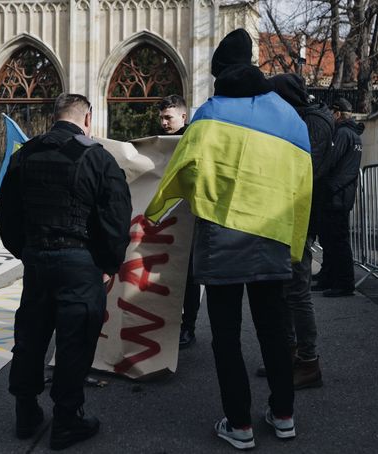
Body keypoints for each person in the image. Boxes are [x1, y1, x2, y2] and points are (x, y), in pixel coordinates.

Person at [145, 29, 312, 450]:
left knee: (226, 336)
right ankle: (284, 414)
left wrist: (153, 214)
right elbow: (304, 187)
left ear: (219, 73)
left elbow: (181, 170)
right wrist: (294, 244)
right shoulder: (289, 117)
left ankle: (239, 424)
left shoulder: (209, 113)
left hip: (220, 241)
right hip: (272, 239)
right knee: (274, 331)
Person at [0, 93, 132, 449]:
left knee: (30, 338)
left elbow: (7, 215)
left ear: (55, 117)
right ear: (87, 119)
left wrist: (27, 252)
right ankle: (67, 420)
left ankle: (25, 411)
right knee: (75, 342)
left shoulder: (24, 155)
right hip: (80, 263)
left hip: (38, 261)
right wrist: (107, 265)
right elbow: (116, 218)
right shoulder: (98, 158)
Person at [255, 73, 335, 389]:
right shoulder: (304, 118)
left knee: (297, 292)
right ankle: (287, 355)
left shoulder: (314, 122)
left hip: (301, 216)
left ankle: (308, 362)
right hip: (288, 215)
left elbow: (304, 169)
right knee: (286, 291)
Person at [158, 94, 200, 349]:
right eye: (161, 117)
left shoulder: (192, 140)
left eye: (168, 117)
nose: (164, 122)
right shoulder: (157, 141)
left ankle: (189, 326)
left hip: (186, 217)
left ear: (183, 117)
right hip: (164, 218)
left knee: (188, 276)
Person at [315, 97, 363, 297]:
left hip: (336, 195)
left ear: (337, 113)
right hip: (341, 194)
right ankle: (329, 277)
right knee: (331, 239)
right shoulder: (353, 135)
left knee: (337, 241)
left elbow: (330, 161)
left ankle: (343, 283)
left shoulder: (343, 134)